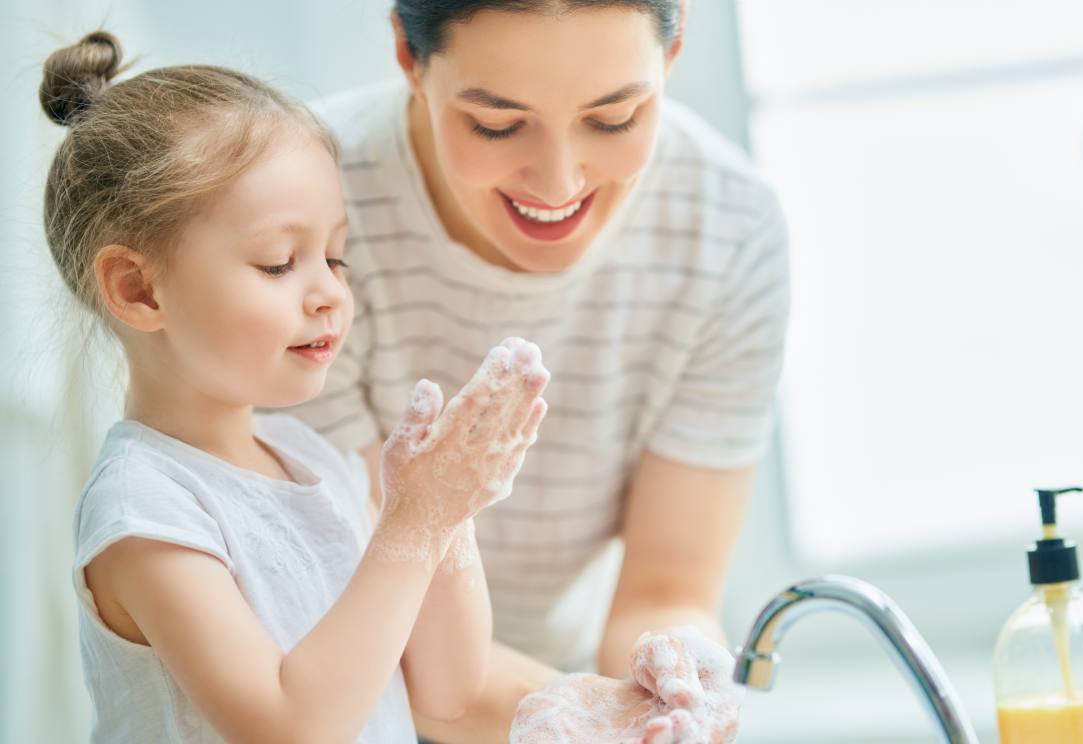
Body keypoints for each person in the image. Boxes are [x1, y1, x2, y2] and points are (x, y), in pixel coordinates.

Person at [283, 1, 791, 741]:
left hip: (552, 688)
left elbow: (664, 590)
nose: (558, 183)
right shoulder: (302, 210)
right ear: (407, 55)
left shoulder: (730, 230)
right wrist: (584, 717)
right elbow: (368, 621)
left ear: (673, 50)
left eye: (614, 117)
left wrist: (672, 694)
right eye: (496, 124)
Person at [41, 31, 550, 742]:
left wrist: (446, 512)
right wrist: (413, 525)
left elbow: (448, 686)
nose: (329, 295)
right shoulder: (145, 512)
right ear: (138, 289)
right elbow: (289, 727)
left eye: (336, 258)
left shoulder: (305, 457)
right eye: (281, 263)